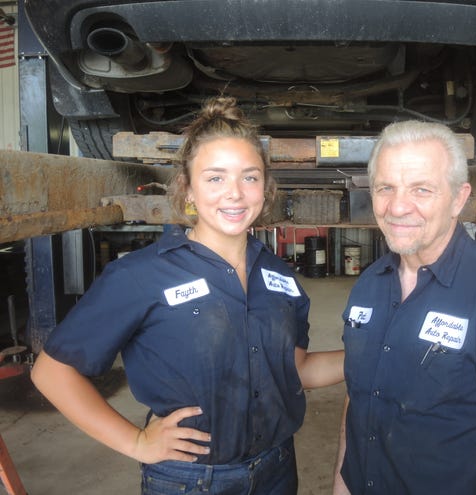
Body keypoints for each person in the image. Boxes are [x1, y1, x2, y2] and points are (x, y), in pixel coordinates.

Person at [31, 96, 344, 495]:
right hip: (191, 481)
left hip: (277, 469)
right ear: (189, 190)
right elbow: (51, 372)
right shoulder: (140, 275)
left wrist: (374, 355)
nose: (234, 193)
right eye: (215, 178)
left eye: (249, 177)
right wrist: (136, 442)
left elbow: (294, 370)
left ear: (265, 189)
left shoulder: (280, 275)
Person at [333, 120, 476, 495]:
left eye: (421, 189)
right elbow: (356, 401)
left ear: (458, 198)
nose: (398, 207)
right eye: (385, 188)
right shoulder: (368, 285)